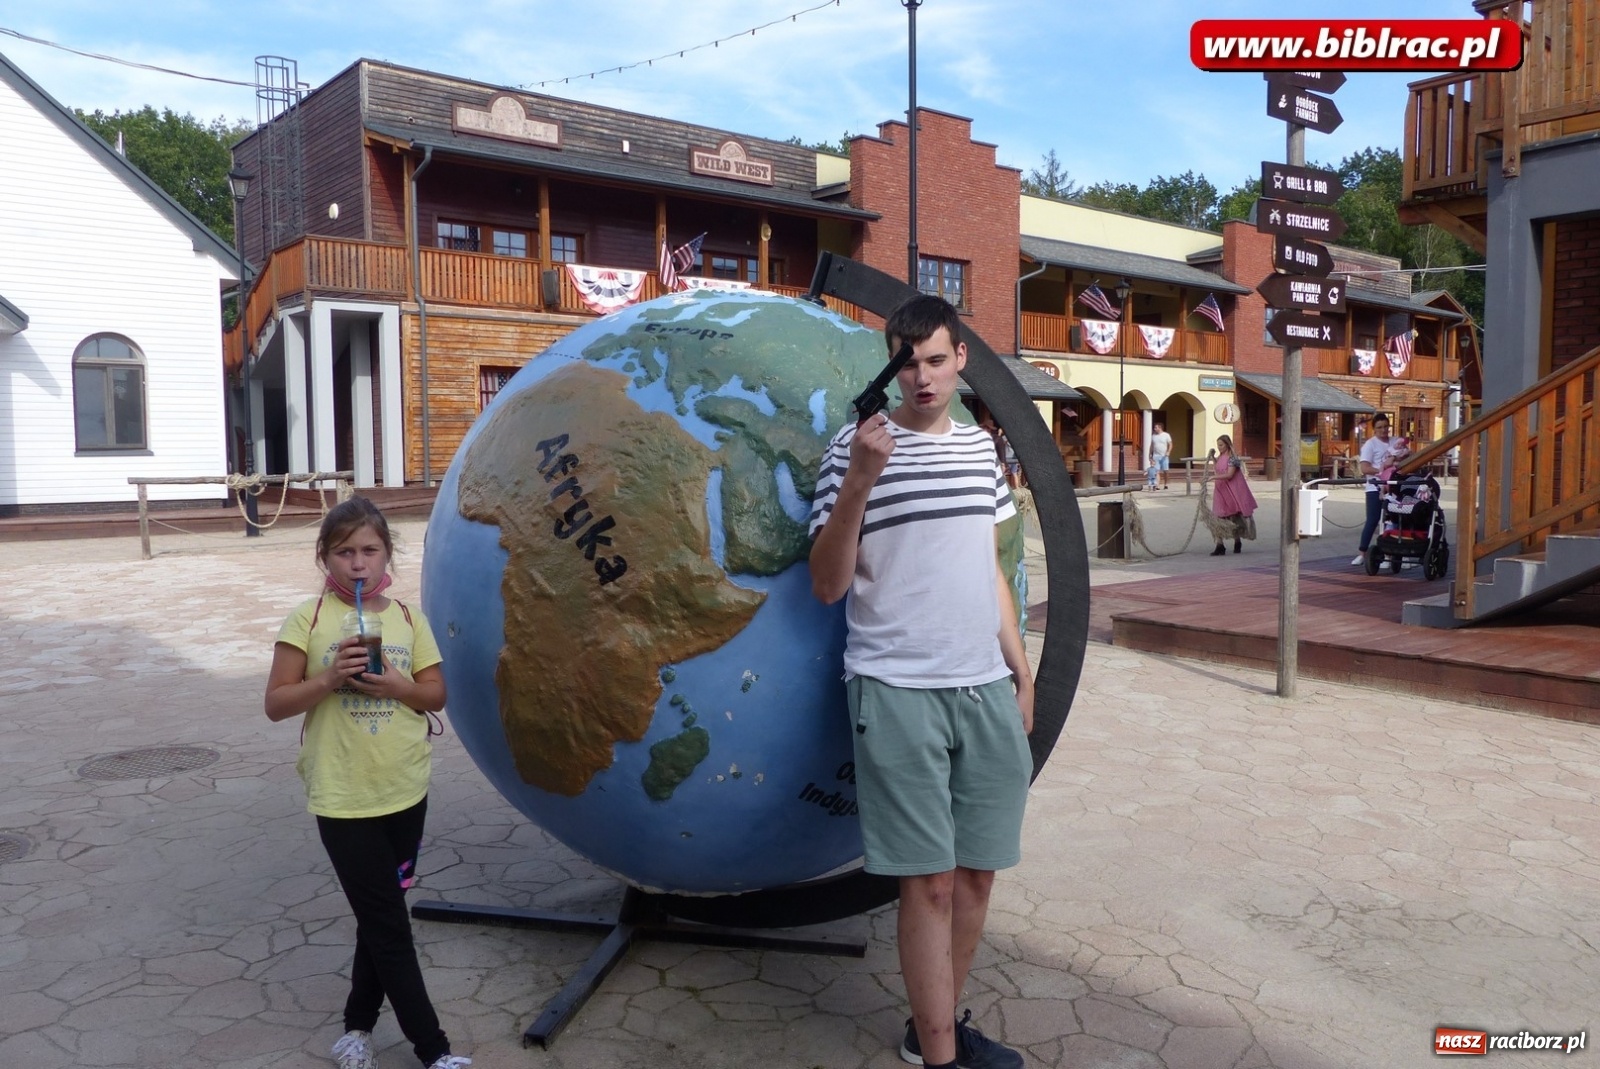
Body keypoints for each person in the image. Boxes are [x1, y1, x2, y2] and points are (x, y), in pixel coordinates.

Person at [809, 293, 1033, 1069]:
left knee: (977, 873)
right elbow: (828, 585)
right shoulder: (853, 449)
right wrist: (861, 482)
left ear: (961, 358)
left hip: (983, 686)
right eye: (908, 363)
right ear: (892, 365)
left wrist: (1020, 663)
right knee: (929, 884)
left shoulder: (979, 448)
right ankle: (940, 1058)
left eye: (936, 359)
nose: (922, 377)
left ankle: (928, 1027)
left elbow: (990, 563)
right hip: (896, 686)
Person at [264, 497, 469, 1069]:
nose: (359, 564)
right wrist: (330, 676)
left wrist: (398, 687)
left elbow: (435, 696)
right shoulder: (306, 619)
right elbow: (276, 704)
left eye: (370, 550)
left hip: (405, 789)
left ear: (387, 556)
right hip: (342, 793)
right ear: (325, 557)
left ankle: (357, 1027)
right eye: (345, 551)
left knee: (378, 915)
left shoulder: (407, 619)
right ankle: (435, 1051)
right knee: (386, 921)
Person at [1353, 414, 1398, 570]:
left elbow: (1406, 455)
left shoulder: (1395, 442)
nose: (1383, 430)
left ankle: (1391, 552)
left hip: (1393, 486)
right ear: (1374, 429)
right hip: (1375, 486)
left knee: (1393, 519)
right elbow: (1364, 468)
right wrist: (1381, 471)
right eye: (1379, 427)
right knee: (1373, 519)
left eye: (1386, 426)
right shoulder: (1370, 445)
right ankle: (1362, 552)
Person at [1210, 434, 1258, 556]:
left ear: (1227, 444)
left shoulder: (1233, 458)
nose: (1219, 447)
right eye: (1218, 445)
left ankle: (1237, 541)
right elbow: (1219, 467)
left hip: (1231, 491)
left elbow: (1229, 474)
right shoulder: (1220, 457)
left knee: (1234, 517)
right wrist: (1213, 458)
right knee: (1217, 516)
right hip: (1220, 490)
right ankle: (1219, 545)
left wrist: (1213, 477)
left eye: (1221, 445)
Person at [1148, 421, 1173, 490]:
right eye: (1154, 427)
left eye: (1156, 427)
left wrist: (1168, 452)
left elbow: (1170, 444)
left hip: (1164, 456)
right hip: (1156, 456)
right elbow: (1152, 445)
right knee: (1156, 471)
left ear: (1160, 428)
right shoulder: (1153, 436)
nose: (1154, 428)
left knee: (1165, 471)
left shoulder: (1166, 435)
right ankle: (1157, 485)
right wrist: (1150, 454)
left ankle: (1166, 484)